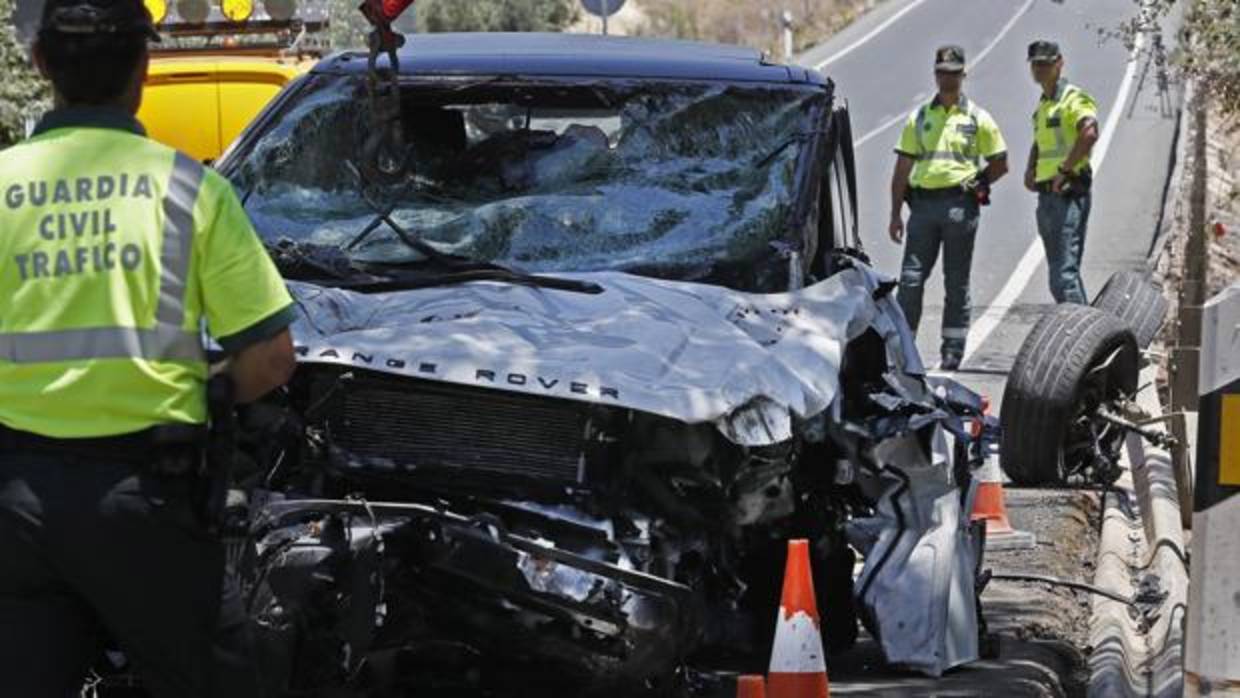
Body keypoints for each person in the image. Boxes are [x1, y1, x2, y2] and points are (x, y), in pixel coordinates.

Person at [0, 0, 298, 695]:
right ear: (143, 66)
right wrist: (198, 388)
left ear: (41, 64)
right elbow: (271, 359)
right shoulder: (190, 189)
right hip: (146, 503)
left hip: (11, 503)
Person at [889, 45, 1009, 370]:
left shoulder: (977, 117)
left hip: (960, 207)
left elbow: (1000, 162)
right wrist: (894, 213)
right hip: (923, 208)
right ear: (935, 74)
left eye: (954, 72)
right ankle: (903, 347)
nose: (948, 77)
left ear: (963, 75)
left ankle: (952, 349)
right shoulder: (920, 117)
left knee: (956, 281)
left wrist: (980, 181)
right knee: (911, 279)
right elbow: (902, 168)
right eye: (942, 71)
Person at [1024, 39, 1100, 305]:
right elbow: (1042, 140)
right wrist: (1030, 168)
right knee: (1061, 272)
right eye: (1036, 65)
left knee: (1063, 276)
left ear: (1059, 63)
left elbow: (1089, 132)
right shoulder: (1044, 104)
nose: (1040, 69)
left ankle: (1084, 338)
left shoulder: (1072, 98)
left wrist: (1065, 170)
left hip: (1067, 194)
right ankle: (1088, 332)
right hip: (1047, 197)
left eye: (1046, 64)